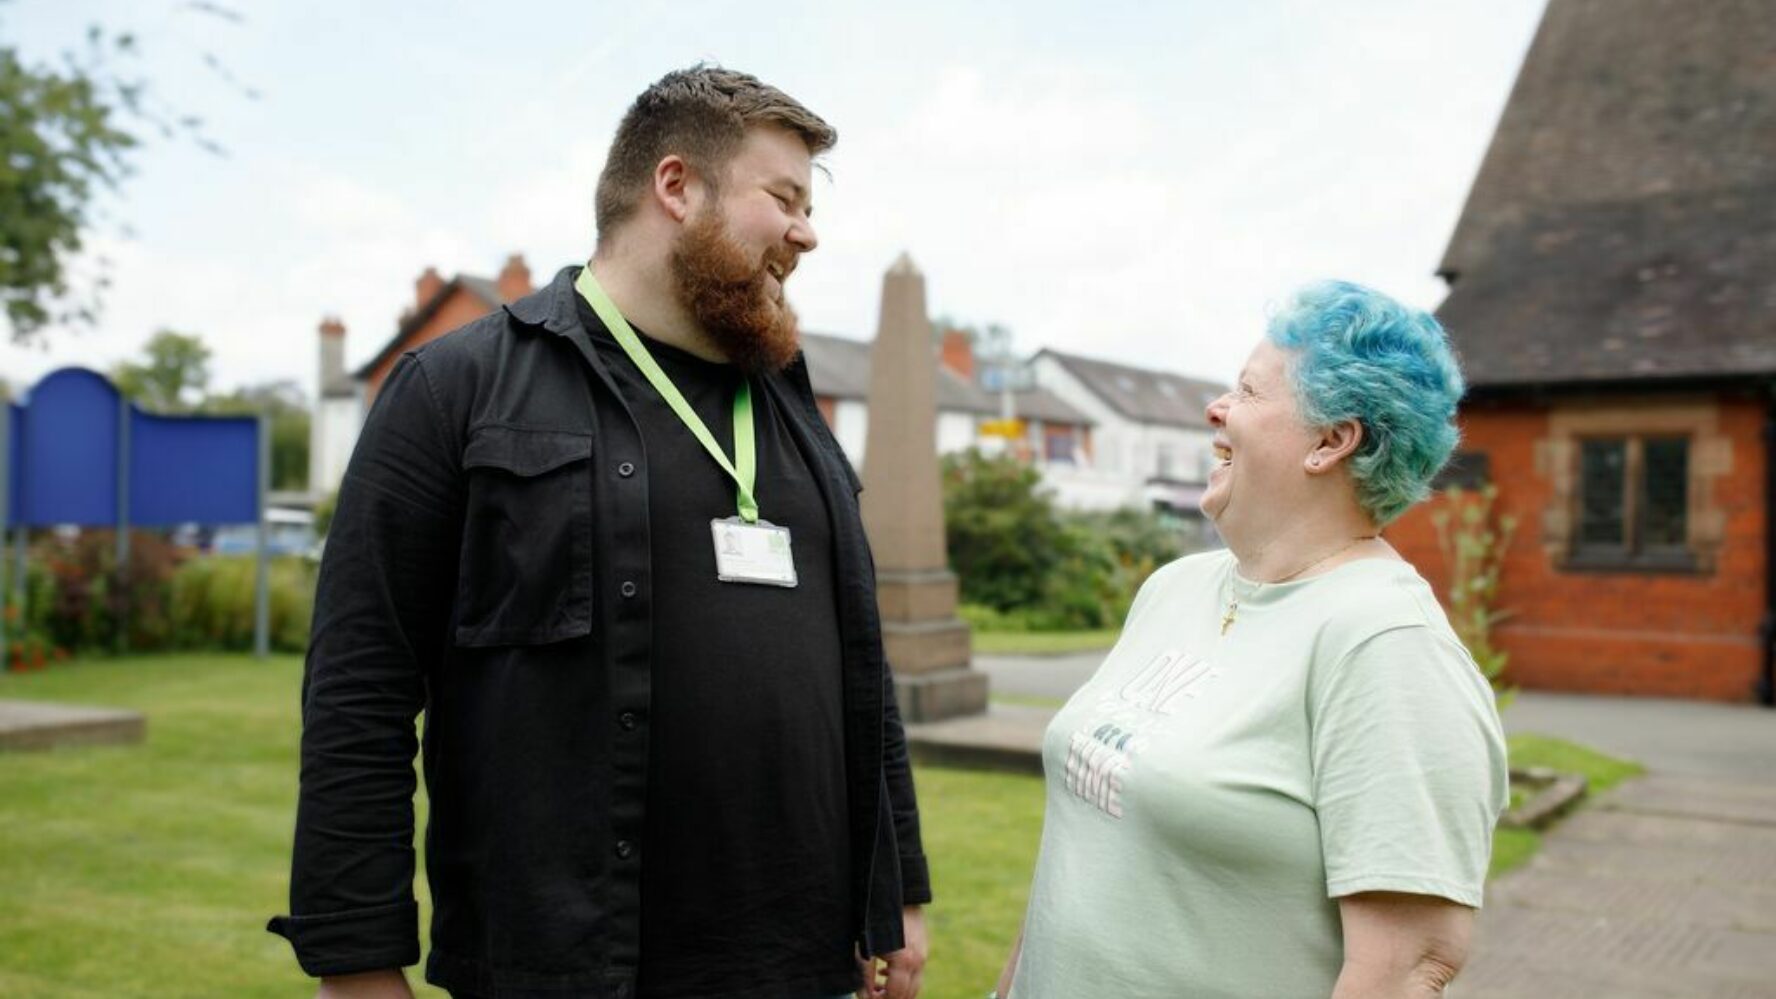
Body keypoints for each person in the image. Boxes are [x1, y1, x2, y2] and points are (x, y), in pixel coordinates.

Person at [269, 66, 930, 999]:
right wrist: (357, 962)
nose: (807, 232)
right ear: (676, 187)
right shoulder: (457, 390)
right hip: (572, 970)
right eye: (783, 198)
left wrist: (896, 893)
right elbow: (358, 692)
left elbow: (860, 671)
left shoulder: (792, 412)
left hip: (804, 968)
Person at [996, 281, 1509, 998]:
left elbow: (1406, 964)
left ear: (1332, 442)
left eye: (1245, 391)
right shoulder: (1175, 589)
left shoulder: (1388, 646)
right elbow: (1080, 863)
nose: (1217, 409)